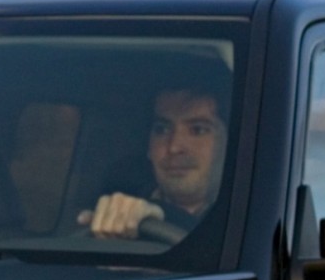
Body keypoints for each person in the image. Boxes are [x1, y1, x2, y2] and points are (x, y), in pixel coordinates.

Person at [78, 81, 230, 242]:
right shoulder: (113, 214)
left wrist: (165, 217)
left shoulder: (248, 219)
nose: (174, 147)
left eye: (198, 130)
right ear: (148, 147)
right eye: (162, 129)